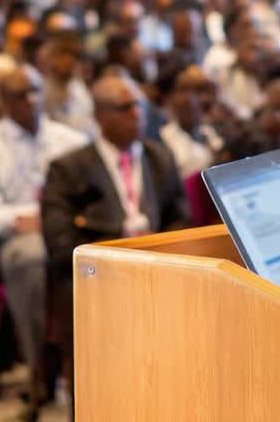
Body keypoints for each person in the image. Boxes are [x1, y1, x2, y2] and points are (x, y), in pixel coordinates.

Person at [40, 75, 186, 394]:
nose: (136, 114)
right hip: (98, 278)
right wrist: (121, 240)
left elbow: (180, 220)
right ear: (100, 116)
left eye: (139, 106)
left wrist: (159, 255)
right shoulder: (68, 169)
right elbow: (61, 245)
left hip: (158, 273)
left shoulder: (159, 157)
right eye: (124, 108)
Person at [0, 65, 88, 406]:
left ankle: (95, 364)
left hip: (71, 233)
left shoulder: (70, 142)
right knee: (33, 256)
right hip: (18, 239)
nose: (30, 100)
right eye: (20, 95)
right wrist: (30, 219)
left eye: (35, 91)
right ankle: (40, 367)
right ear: (2, 101)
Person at [155, 62, 222, 179]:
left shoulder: (208, 131)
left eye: (197, 91)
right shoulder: (164, 139)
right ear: (169, 99)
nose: (192, 99)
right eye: (184, 90)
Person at [39, 31, 97, 136]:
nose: (69, 60)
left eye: (74, 55)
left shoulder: (80, 88)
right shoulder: (40, 92)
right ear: (49, 57)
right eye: (63, 54)